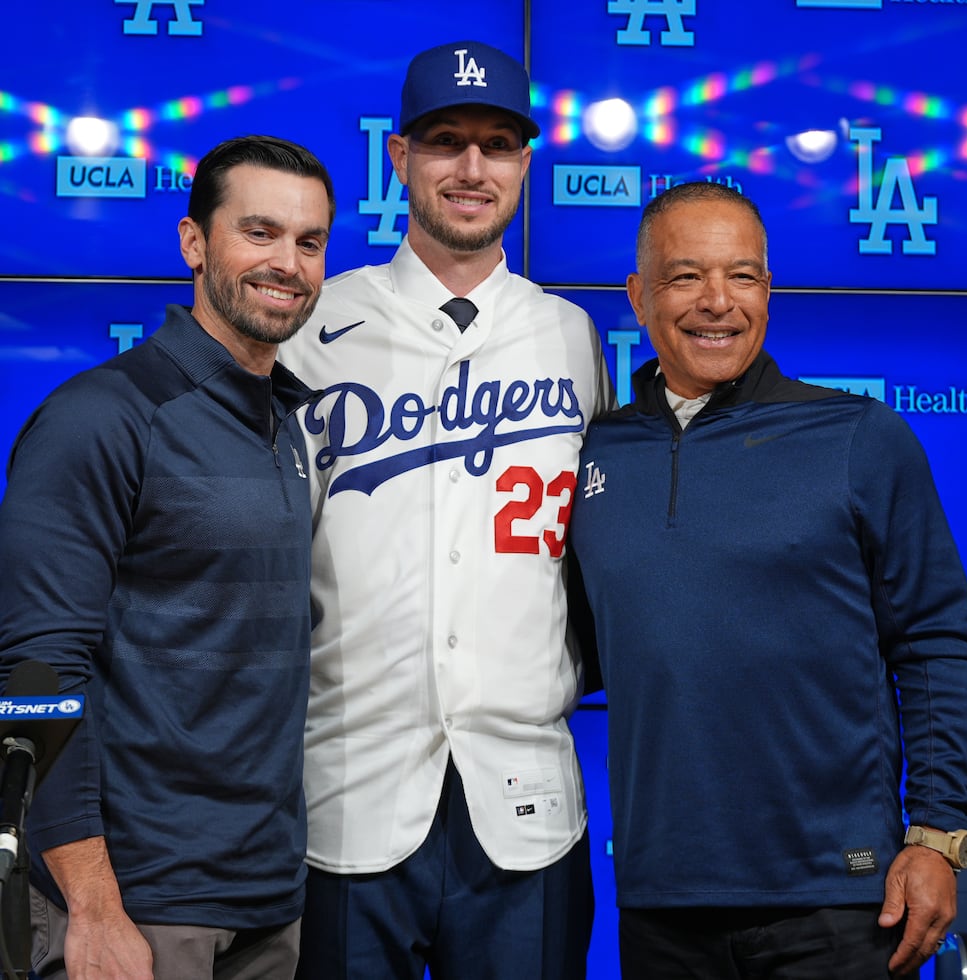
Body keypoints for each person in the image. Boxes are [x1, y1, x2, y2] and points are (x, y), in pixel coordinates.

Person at [569, 179, 967, 978]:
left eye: (744, 276)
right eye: (686, 276)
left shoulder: (859, 435)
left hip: (843, 898)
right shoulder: (592, 454)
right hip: (660, 903)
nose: (717, 302)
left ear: (768, 288)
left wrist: (936, 837)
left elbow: (935, 645)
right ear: (638, 295)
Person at [279, 39, 612, 980]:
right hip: (347, 794)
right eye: (446, 141)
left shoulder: (569, 335)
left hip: (529, 802)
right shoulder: (311, 328)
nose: (472, 168)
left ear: (523, 164)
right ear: (400, 157)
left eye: (498, 144)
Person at [0, 134, 335, 980]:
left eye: (308, 241)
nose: (287, 263)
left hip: (267, 895)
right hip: (138, 908)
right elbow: (36, 677)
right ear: (194, 243)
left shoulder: (287, 423)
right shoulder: (101, 417)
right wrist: (93, 905)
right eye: (258, 233)